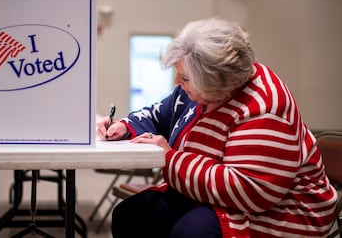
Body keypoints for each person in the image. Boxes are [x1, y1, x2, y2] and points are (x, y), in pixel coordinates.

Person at [97, 18, 337, 238]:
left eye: (185, 78)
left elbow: (250, 190)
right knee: (132, 215)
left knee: (191, 232)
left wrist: (171, 160)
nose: (178, 83)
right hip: (216, 195)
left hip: (281, 211)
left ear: (217, 83)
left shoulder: (265, 107)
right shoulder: (201, 88)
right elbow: (161, 114)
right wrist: (125, 126)